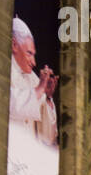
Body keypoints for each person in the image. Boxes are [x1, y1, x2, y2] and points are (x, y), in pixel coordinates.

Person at [9, 16, 58, 147]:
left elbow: (48, 137)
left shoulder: (34, 80)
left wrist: (48, 98)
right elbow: (11, 105)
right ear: (14, 45)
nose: (34, 62)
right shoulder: (0, 70)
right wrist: (38, 90)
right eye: (29, 53)